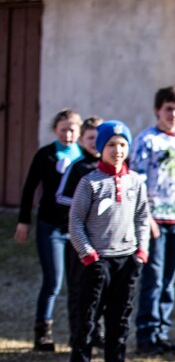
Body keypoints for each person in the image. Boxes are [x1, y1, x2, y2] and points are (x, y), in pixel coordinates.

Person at [66, 121, 150, 362]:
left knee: (119, 325)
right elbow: (75, 221)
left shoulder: (135, 181)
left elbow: (141, 217)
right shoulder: (89, 182)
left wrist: (141, 252)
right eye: (111, 145)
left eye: (123, 145)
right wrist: (89, 254)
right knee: (87, 324)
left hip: (125, 261)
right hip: (95, 262)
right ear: (101, 147)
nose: (117, 150)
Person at [131, 86, 175, 355]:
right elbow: (138, 182)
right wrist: (146, 218)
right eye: (169, 109)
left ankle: (162, 332)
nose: (174, 114)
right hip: (155, 219)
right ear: (158, 110)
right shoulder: (147, 140)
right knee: (154, 279)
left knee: (169, 280)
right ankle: (146, 334)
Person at [14, 109, 84, 351]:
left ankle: (80, 332)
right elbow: (29, 188)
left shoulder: (84, 157)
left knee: (78, 282)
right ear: (55, 130)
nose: (68, 134)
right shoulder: (46, 155)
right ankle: (42, 332)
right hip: (50, 226)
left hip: (76, 228)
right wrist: (24, 220)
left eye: (73, 129)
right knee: (53, 280)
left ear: (79, 131)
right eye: (63, 129)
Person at [57, 116, 104, 345]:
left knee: (102, 287)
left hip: (104, 239)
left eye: (99, 137)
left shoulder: (112, 167)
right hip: (78, 238)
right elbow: (61, 196)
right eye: (90, 138)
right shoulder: (78, 166)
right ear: (82, 140)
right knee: (77, 287)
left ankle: (98, 332)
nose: (95, 142)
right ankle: (77, 333)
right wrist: (84, 204)